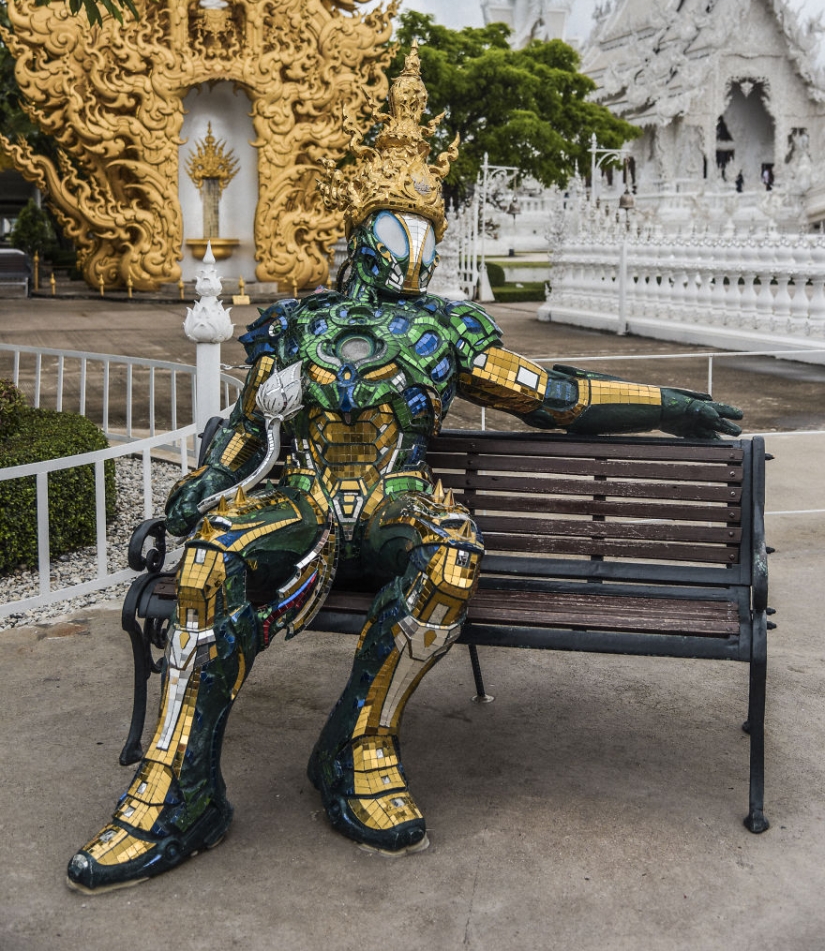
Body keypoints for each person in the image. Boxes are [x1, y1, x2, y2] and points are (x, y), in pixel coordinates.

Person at [67, 46, 743, 893]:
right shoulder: (294, 324)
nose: (409, 247)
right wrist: (205, 485)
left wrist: (666, 407)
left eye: (421, 228)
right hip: (300, 497)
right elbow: (248, 429)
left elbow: (553, 395)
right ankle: (178, 789)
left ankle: (358, 745)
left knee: (450, 555)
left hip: (396, 498)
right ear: (360, 236)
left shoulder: (446, 330)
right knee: (207, 563)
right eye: (393, 228)